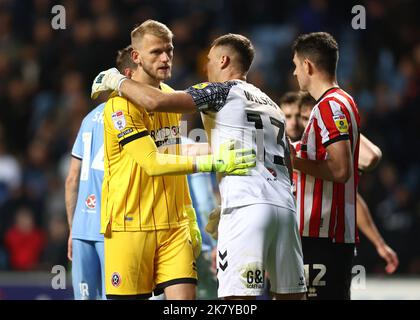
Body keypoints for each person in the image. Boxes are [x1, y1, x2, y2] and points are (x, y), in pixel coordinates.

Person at [91, 32, 307, 300]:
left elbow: (154, 102)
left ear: (224, 60)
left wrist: (117, 80)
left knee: (237, 301)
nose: (206, 67)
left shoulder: (218, 90)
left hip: (244, 207)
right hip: (285, 208)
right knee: (291, 297)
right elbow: (286, 160)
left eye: (209, 60)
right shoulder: (271, 104)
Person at [290, 32, 362, 300]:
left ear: (308, 65)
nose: (295, 72)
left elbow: (340, 169)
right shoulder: (344, 101)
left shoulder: (329, 107)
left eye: (296, 65)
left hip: (323, 236)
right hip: (329, 235)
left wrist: (293, 161)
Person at [298, 92, 399, 276]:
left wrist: (342, 134)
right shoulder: (288, 151)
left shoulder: (325, 157)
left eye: (309, 119)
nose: (305, 124)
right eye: (300, 118)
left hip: (324, 243)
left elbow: (371, 157)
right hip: (292, 242)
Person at [65, 45, 137, 300]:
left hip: (83, 228)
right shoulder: (131, 118)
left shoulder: (89, 118)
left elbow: (72, 178)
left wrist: (73, 229)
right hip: (114, 229)